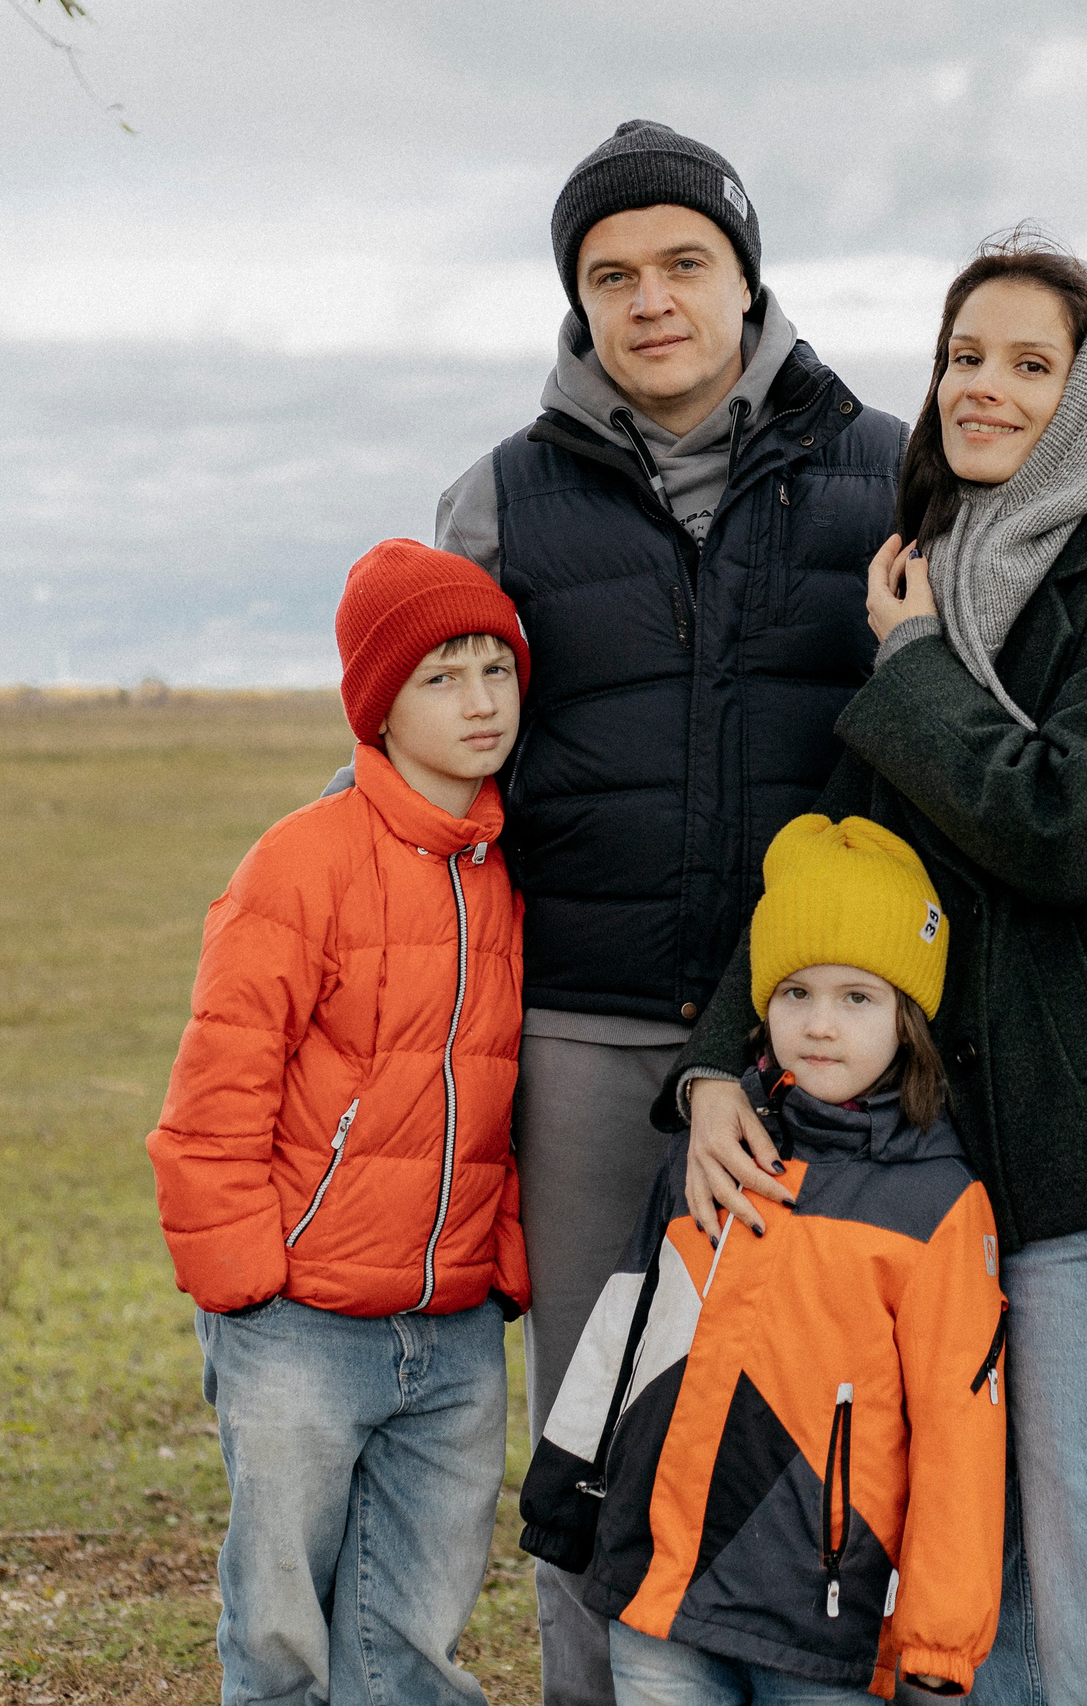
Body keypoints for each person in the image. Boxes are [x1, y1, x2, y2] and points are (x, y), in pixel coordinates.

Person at [661, 236, 1087, 1705]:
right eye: (964, 357)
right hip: (948, 1175)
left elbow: (1073, 824)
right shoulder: (924, 587)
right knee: (1005, 1620)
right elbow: (836, 875)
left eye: (1030, 364)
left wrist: (914, 670)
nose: (983, 387)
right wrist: (717, 1057)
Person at [421, 118, 910, 1705]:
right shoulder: (499, 499)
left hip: (829, 1034)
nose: (651, 300)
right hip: (586, 1025)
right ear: (576, 301)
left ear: (747, 278)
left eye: (684, 262)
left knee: (831, 1396)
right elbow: (446, 760)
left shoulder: (886, 470)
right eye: (610, 273)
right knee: (598, 1403)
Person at [148, 539, 535, 1706]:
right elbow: (215, 1094)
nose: (478, 702)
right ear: (377, 706)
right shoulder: (299, 864)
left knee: (410, 1631)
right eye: (440, 677)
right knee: (280, 1631)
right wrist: (245, 1286)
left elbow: (514, 1084)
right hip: (299, 1322)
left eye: (496, 670)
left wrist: (502, 1261)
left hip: (455, 1323)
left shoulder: (515, 871)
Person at [521, 814, 1006, 1704]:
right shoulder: (715, 1152)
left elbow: (959, 1436)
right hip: (660, 1593)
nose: (820, 1025)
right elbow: (628, 1322)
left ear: (909, 1017)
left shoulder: (936, 1205)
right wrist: (566, 1485)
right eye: (795, 995)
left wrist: (938, 1643)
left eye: (857, 998)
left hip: (821, 1623)